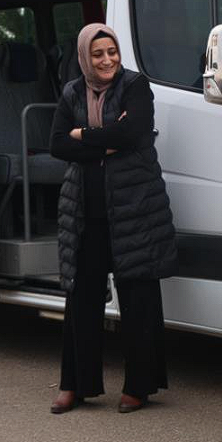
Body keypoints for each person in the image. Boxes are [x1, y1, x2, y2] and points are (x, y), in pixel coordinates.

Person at [48, 23, 177, 414]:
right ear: (85, 57)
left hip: (134, 209)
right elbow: (56, 144)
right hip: (84, 211)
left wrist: (82, 135)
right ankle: (75, 384)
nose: (107, 60)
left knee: (138, 297)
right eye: (98, 54)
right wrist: (105, 139)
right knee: (81, 298)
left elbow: (132, 134)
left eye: (112, 52)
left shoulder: (135, 86)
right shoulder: (72, 91)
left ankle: (139, 386)